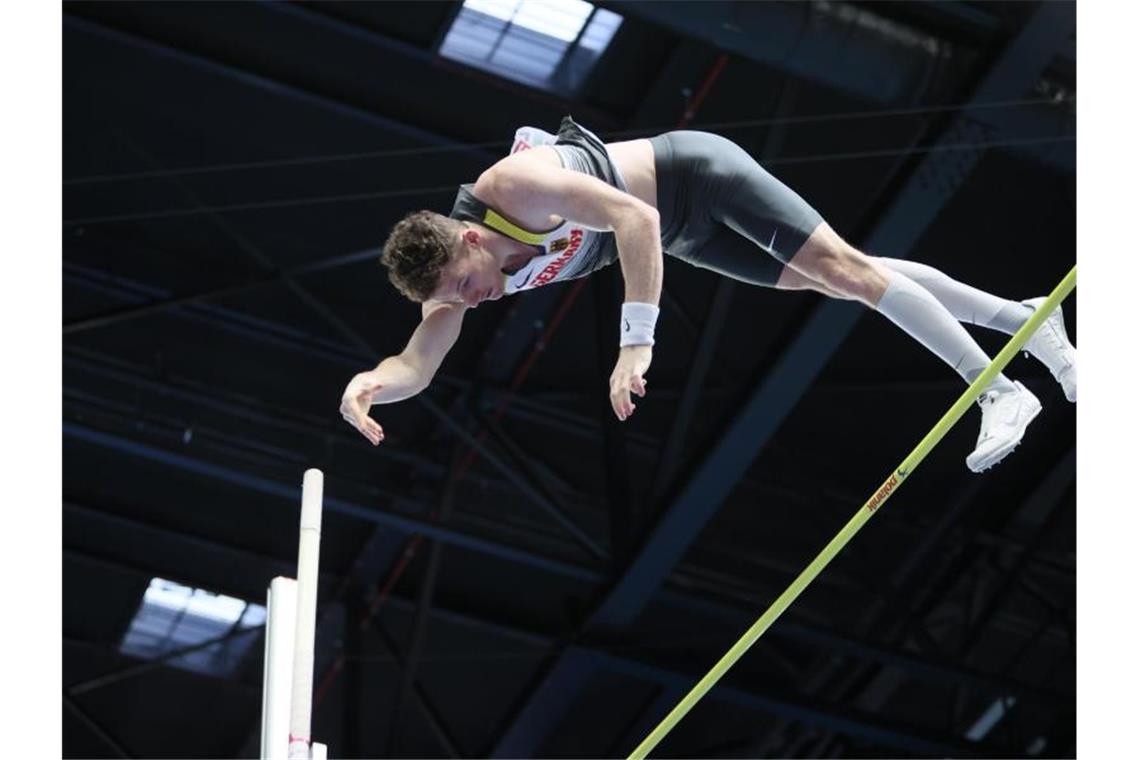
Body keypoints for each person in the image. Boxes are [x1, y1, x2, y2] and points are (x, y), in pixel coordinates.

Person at [339, 117, 1075, 473]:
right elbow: (421, 360)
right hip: (688, 235)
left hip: (695, 175)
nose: (474, 301)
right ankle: (1028, 320)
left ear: (468, 236)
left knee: (848, 271)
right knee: (848, 279)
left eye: (468, 286)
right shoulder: (450, 285)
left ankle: (997, 390)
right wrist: (373, 383)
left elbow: (636, 218)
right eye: (457, 301)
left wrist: (637, 343)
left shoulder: (512, 188)